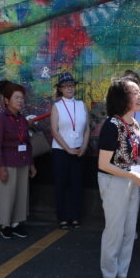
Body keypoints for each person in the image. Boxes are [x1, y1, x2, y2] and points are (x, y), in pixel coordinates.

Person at [97, 78, 140, 278]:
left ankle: (122, 272)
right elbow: (104, 164)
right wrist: (132, 176)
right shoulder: (112, 125)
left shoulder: (135, 124)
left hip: (131, 179)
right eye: (134, 93)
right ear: (122, 98)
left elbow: (128, 157)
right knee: (115, 229)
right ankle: (109, 275)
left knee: (129, 229)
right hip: (114, 182)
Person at [0, 82, 37, 239]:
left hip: (23, 162)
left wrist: (31, 164)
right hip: (8, 163)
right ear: (6, 100)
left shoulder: (22, 119)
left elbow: (27, 143)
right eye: (16, 98)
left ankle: (16, 223)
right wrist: (1, 167)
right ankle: (5, 225)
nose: (20, 101)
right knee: (7, 194)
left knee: (20, 194)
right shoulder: (1, 119)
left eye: (22, 98)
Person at [49, 72, 89, 230]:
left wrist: (84, 147)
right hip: (61, 151)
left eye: (71, 85)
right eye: (65, 86)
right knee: (61, 185)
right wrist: (67, 149)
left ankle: (75, 217)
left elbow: (86, 129)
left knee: (77, 185)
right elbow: (54, 131)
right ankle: (62, 218)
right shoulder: (57, 106)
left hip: (79, 150)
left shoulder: (82, 105)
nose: (69, 88)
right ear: (60, 89)